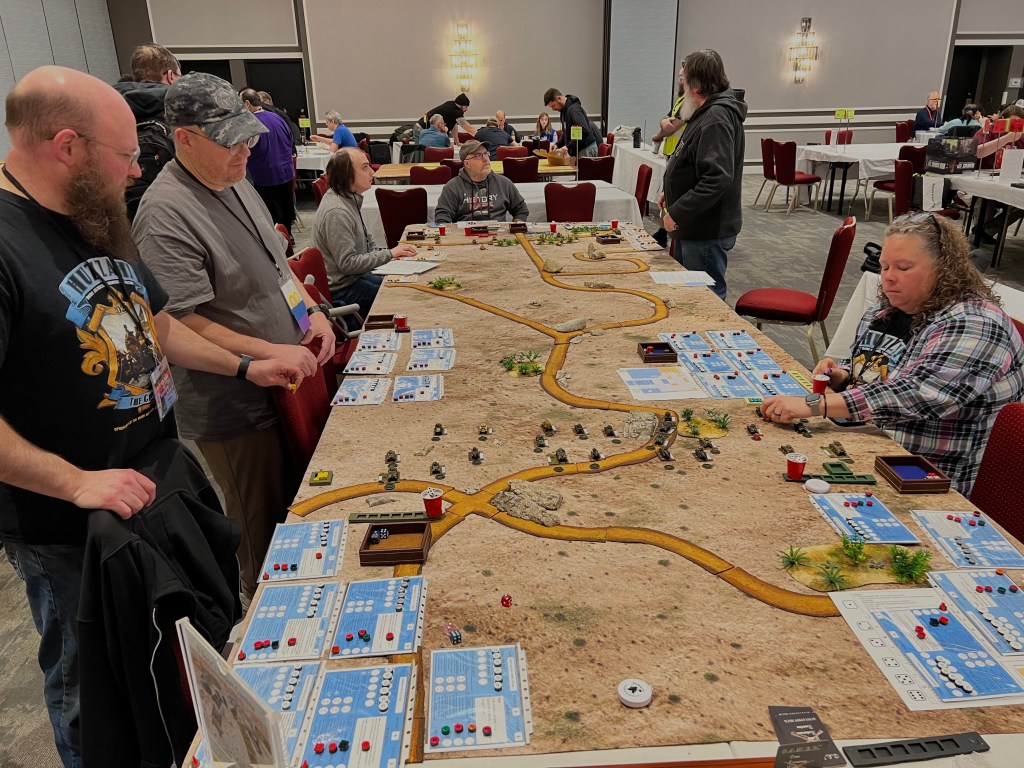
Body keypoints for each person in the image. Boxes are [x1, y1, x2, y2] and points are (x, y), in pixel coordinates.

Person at [0, 65, 303, 768]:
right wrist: (76, 482)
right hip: (71, 527)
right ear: (67, 146)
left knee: (164, 677)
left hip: (151, 488)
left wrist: (246, 365)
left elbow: (157, 323)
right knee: (92, 694)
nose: (138, 170)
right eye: (127, 155)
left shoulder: (94, 213)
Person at [133, 73, 336, 598]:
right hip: (234, 404)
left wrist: (312, 313)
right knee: (261, 526)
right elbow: (178, 321)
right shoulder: (165, 212)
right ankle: (264, 617)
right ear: (185, 138)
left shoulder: (235, 179)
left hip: (285, 377)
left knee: (297, 504)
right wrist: (267, 350)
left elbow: (278, 268)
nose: (246, 150)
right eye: (230, 141)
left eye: (247, 137)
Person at [761, 213, 1024, 497]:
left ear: (945, 267)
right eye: (885, 266)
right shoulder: (891, 307)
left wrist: (815, 404)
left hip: (934, 476)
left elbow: (913, 393)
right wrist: (845, 374)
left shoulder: (976, 324)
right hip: (875, 442)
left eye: (903, 267)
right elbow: (883, 367)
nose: (888, 277)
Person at [658, 49, 746, 301]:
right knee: (689, 294)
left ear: (696, 85)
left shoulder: (716, 117)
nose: (681, 85)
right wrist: (671, 193)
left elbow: (716, 179)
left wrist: (678, 210)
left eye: (682, 79)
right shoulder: (706, 111)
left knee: (705, 299)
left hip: (706, 228)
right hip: (696, 223)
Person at [312, 148, 417, 326]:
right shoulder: (337, 211)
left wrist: (391, 257)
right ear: (347, 175)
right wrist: (390, 254)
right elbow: (348, 264)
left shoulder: (349, 199)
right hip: (344, 289)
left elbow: (369, 244)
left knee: (403, 284)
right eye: (364, 167)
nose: (372, 172)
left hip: (356, 278)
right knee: (400, 295)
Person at [113, 43, 181, 219]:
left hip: (118, 215)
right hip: (171, 214)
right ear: (170, 76)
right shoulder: (180, 113)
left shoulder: (109, 110)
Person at [240, 88, 296, 234]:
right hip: (286, 171)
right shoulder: (277, 117)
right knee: (286, 210)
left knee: (273, 216)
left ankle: (280, 242)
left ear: (247, 103)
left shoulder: (252, 123)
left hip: (266, 174)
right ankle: (289, 237)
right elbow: (290, 140)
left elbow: (245, 148)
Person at [434, 140, 529, 224]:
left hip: (498, 235)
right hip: (466, 235)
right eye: (478, 155)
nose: (486, 159)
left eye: (486, 154)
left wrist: (517, 226)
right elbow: (442, 218)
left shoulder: (504, 183)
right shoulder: (453, 187)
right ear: (467, 164)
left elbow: (521, 209)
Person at [543, 88, 599, 158]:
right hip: (579, 149)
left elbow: (584, 131)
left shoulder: (573, 110)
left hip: (586, 149)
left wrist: (568, 146)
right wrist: (557, 144)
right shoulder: (563, 112)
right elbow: (566, 133)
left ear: (559, 98)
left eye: (553, 105)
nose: (553, 109)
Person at [652, 86, 686, 157]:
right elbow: (667, 118)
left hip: (680, 152)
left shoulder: (688, 103)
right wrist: (663, 121)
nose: (679, 81)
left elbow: (670, 127)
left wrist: (658, 136)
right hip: (672, 151)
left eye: (682, 79)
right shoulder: (680, 99)